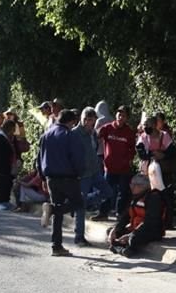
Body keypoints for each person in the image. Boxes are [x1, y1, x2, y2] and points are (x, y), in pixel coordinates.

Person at [38, 109, 85, 257]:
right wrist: (79, 173)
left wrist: (42, 177)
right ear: (71, 121)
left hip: (51, 177)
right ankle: (52, 209)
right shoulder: (69, 135)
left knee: (57, 213)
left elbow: (39, 158)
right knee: (78, 204)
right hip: (68, 177)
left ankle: (56, 246)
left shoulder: (46, 135)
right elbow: (76, 157)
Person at [72, 107, 109, 246]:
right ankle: (79, 237)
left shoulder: (92, 133)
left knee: (108, 192)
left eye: (93, 122)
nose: (92, 125)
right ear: (84, 120)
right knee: (80, 209)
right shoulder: (74, 134)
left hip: (95, 172)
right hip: (83, 175)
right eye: (91, 122)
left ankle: (80, 202)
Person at [137, 113, 176, 232]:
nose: (145, 127)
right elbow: (141, 153)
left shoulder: (164, 136)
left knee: (166, 196)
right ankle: (148, 220)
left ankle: (167, 222)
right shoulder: (143, 137)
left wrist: (163, 156)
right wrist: (154, 154)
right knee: (148, 196)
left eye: (148, 125)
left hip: (163, 171)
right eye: (144, 125)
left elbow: (173, 151)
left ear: (155, 125)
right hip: (148, 171)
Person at [109, 174, 165, 257]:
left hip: (151, 230)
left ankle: (125, 249)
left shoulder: (153, 198)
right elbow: (125, 216)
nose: (132, 187)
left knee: (133, 239)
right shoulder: (135, 197)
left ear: (145, 186)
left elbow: (149, 222)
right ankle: (121, 247)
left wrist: (131, 234)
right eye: (131, 184)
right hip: (135, 228)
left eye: (136, 185)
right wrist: (115, 229)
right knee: (113, 231)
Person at [98, 105, 137, 220]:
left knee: (123, 192)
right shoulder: (107, 128)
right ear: (116, 115)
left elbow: (133, 150)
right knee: (106, 190)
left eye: (124, 115)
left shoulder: (129, 132)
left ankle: (119, 214)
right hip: (109, 167)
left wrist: (127, 160)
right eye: (119, 114)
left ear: (127, 118)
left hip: (124, 168)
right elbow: (95, 137)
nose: (121, 117)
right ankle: (103, 213)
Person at [0, 119, 16, 209]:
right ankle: (1, 202)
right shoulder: (0, 137)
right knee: (3, 184)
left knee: (7, 183)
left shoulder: (5, 137)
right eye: (12, 129)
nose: (13, 132)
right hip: (2, 166)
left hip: (6, 166)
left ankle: (6, 200)